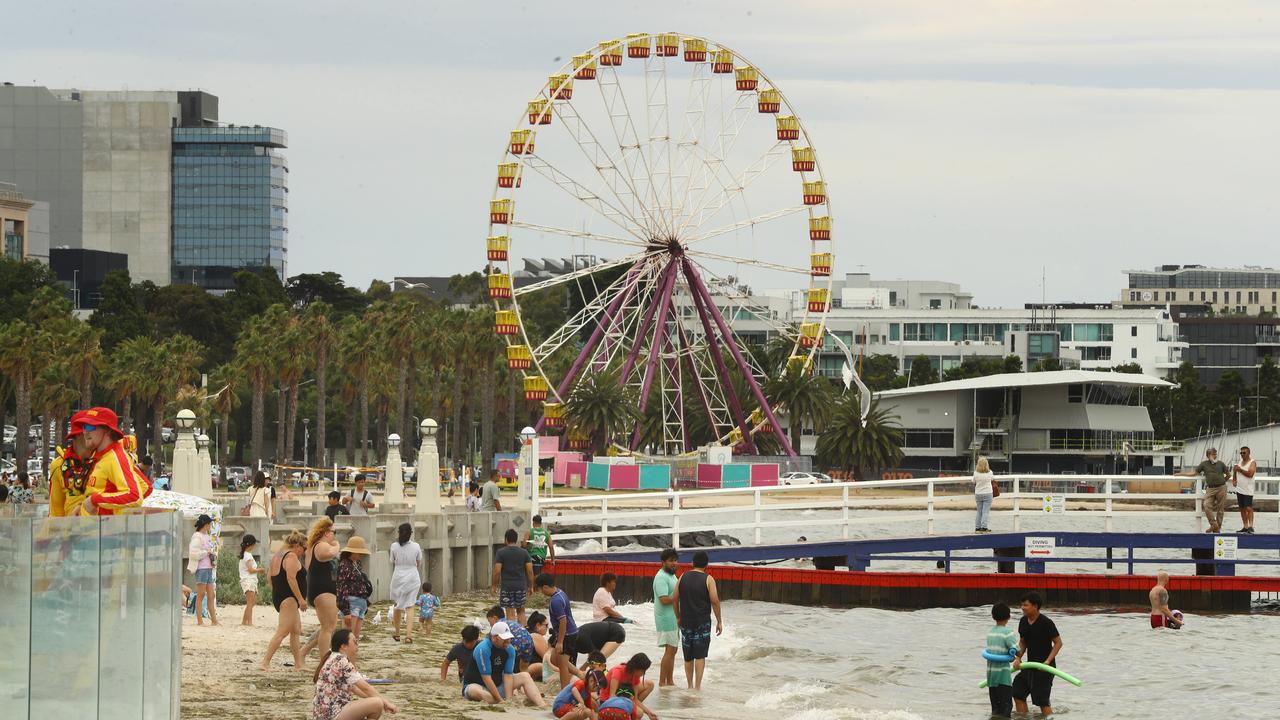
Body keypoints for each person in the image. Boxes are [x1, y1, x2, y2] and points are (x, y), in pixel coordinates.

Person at [49, 407, 150, 517]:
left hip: (103, 530)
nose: (85, 432)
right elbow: (56, 509)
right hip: (75, 529)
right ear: (76, 437)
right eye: (83, 428)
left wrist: (117, 511)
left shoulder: (113, 457)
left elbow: (141, 490)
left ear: (106, 431)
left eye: (89, 427)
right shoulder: (60, 465)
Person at [312, 628, 397, 719]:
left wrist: (376, 698)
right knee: (377, 703)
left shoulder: (333, 657)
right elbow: (366, 687)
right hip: (332, 714)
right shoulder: (342, 661)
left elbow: (355, 689)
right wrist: (386, 703)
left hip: (323, 714)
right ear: (344, 646)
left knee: (375, 702)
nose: (357, 644)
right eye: (355, 641)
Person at [462, 621, 546, 708]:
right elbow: (486, 678)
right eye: (504, 640)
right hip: (478, 686)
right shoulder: (483, 649)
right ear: (494, 638)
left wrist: (509, 701)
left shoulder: (510, 649)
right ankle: (499, 700)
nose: (507, 643)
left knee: (525, 676)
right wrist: (500, 700)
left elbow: (508, 675)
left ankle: (541, 705)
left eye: (509, 639)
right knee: (474, 691)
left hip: (499, 685)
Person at [673, 550, 721, 690]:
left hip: (686, 621)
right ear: (707, 564)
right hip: (702, 622)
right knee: (700, 655)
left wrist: (678, 616)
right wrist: (719, 620)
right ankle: (697, 687)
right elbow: (715, 601)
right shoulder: (708, 579)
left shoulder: (683, 576)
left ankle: (689, 685)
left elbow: (674, 598)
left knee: (688, 655)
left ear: (693, 563)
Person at [261, 530, 309, 671]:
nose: (304, 552)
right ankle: (265, 662)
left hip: (281, 596)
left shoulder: (278, 555)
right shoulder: (291, 556)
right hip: (289, 599)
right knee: (282, 632)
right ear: (296, 545)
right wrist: (301, 599)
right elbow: (291, 578)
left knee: (296, 630)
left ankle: (298, 664)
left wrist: (277, 592)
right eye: (304, 548)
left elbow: (269, 577)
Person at [1012, 591, 1063, 716]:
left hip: (1045, 668)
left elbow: (1058, 643)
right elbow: (1023, 642)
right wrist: (1018, 657)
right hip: (1029, 666)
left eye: (1026, 605)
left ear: (1035, 606)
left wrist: (1047, 661)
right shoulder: (1023, 621)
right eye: (1022, 605)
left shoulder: (1046, 622)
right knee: (1017, 692)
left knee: (1042, 701)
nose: (1022, 608)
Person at [302, 517, 341, 662]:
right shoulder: (321, 545)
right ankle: (325, 661)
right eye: (333, 532)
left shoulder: (312, 547)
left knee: (326, 625)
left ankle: (303, 652)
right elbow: (331, 553)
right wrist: (337, 545)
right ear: (326, 532)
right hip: (323, 590)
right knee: (328, 628)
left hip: (318, 588)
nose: (334, 536)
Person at [537, 572, 580, 686]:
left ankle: (564, 690)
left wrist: (560, 642)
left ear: (545, 587)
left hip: (567, 635)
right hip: (570, 632)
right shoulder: (560, 592)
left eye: (541, 590)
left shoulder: (555, 601)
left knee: (562, 665)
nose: (541, 593)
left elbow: (563, 621)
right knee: (555, 660)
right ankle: (579, 674)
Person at [486, 605, 545, 679]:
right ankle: (524, 682)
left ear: (494, 618)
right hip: (529, 641)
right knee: (523, 669)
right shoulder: (510, 622)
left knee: (506, 663)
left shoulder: (499, 625)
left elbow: (490, 639)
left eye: (489, 621)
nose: (490, 624)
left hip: (516, 643)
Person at [1179, 448, 1230, 533]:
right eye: (1213, 454)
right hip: (1210, 489)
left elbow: (1228, 475)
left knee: (1220, 509)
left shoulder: (1221, 464)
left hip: (1221, 487)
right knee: (1206, 505)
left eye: (1215, 454)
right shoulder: (1204, 464)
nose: (1215, 455)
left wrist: (1222, 481)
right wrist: (1181, 474)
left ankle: (1217, 530)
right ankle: (1214, 525)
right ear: (1208, 455)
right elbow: (1194, 473)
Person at [388, 522, 423, 643]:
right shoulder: (416, 546)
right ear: (411, 534)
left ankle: (397, 633)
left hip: (398, 576)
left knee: (398, 605)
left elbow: (392, 561)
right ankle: (408, 635)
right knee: (410, 606)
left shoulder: (394, 546)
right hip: (412, 576)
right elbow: (418, 562)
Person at [493, 528, 535, 624]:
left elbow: (497, 571)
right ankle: (522, 634)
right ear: (516, 540)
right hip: (520, 586)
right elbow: (530, 571)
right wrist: (531, 586)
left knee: (510, 612)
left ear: (506, 539)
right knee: (521, 611)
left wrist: (494, 586)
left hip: (507, 587)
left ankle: (512, 636)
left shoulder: (501, 552)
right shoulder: (524, 553)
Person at [984, 602, 1018, 718]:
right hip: (1003, 677)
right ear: (1009, 616)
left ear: (993, 616)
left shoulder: (990, 633)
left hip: (991, 677)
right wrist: (1013, 655)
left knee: (996, 708)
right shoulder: (1008, 633)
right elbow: (1015, 649)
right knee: (1006, 709)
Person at [337, 536, 373, 641]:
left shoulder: (357, 563)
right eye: (359, 552)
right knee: (348, 637)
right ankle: (344, 657)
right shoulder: (344, 565)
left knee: (355, 637)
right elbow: (341, 587)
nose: (361, 555)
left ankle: (351, 657)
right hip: (351, 603)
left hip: (361, 602)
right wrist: (346, 611)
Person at [653, 548, 680, 687]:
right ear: (663, 562)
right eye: (671, 561)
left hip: (673, 618)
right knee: (670, 651)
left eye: (675, 560)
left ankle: (670, 681)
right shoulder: (661, 577)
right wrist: (678, 597)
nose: (674, 563)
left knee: (673, 650)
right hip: (666, 619)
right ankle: (662, 682)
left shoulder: (672, 575)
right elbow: (663, 599)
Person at [601, 653, 658, 720]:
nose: (644, 673)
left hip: (623, 697)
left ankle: (631, 711)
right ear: (636, 668)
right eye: (643, 670)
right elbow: (612, 696)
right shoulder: (618, 671)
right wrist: (628, 704)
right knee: (639, 713)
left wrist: (649, 713)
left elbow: (635, 700)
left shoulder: (635, 676)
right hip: (607, 700)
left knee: (639, 712)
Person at [187, 514, 219, 626]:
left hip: (208, 568)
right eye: (210, 524)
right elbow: (193, 554)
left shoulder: (206, 536)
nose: (211, 526)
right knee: (201, 594)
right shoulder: (197, 536)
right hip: (201, 569)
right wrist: (206, 553)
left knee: (211, 595)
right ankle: (200, 621)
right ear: (206, 525)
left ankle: (214, 621)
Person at [239, 534, 266, 626]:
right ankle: (249, 622)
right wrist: (260, 570)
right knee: (250, 602)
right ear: (251, 545)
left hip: (249, 580)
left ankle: (244, 622)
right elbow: (251, 570)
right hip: (248, 580)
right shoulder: (248, 556)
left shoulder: (246, 555)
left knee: (252, 602)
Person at [1233, 446, 1257, 533]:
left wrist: (1240, 470)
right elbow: (1235, 469)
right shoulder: (1239, 462)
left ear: (1248, 453)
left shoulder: (1252, 462)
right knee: (1242, 508)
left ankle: (1251, 526)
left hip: (1248, 489)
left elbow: (1250, 474)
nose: (1242, 454)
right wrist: (1234, 479)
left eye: (1244, 453)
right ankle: (1245, 526)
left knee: (1248, 508)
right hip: (1239, 489)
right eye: (1241, 453)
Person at [972, 456, 995, 533]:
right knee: (985, 511)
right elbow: (992, 479)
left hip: (978, 493)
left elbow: (973, 481)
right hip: (988, 493)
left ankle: (977, 528)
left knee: (979, 511)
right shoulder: (990, 473)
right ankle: (984, 527)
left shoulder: (975, 473)